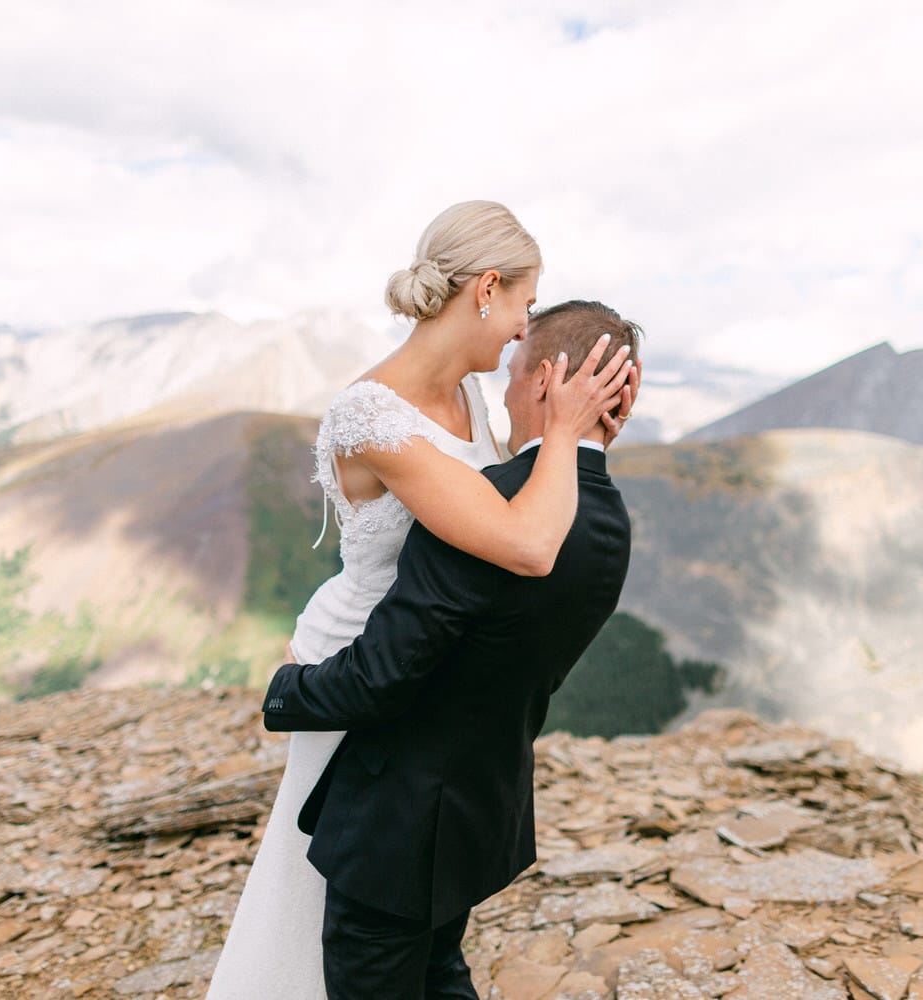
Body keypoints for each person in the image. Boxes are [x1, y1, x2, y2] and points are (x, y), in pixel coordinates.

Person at [204, 204, 636, 999]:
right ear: (486, 289)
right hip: (362, 664)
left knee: (398, 897)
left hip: (427, 665)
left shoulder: (477, 404)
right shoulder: (372, 416)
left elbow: (518, 517)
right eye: (521, 307)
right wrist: (570, 431)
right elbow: (523, 543)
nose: (521, 332)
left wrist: (580, 432)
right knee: (343, 882)